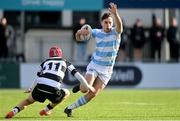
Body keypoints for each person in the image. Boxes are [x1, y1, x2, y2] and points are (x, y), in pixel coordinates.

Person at [64, 2, 123, 117]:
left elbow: (120, 26)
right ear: (102, 23)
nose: (108, 24)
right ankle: (81, 86)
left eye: (110, 22)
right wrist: (79, 33)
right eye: (106, 22)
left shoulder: (116, 33)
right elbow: (78, 38)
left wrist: (116, 14)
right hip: (95, 65)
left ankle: (70, 108)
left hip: (107, 70)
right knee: (84, 89)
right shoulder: (96, 32)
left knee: (93, 94)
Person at [5, 46, 95, 119]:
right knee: (66, 93)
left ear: (50, 55)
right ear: (60, 54)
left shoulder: (45, 62)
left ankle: (14, 111)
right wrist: (88, 85)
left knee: (28, 101)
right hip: (53, 89)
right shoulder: (65, 62)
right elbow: (78, 75)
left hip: (39, 87)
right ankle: (47, 109)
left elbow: (37, 77)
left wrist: (31, 88)